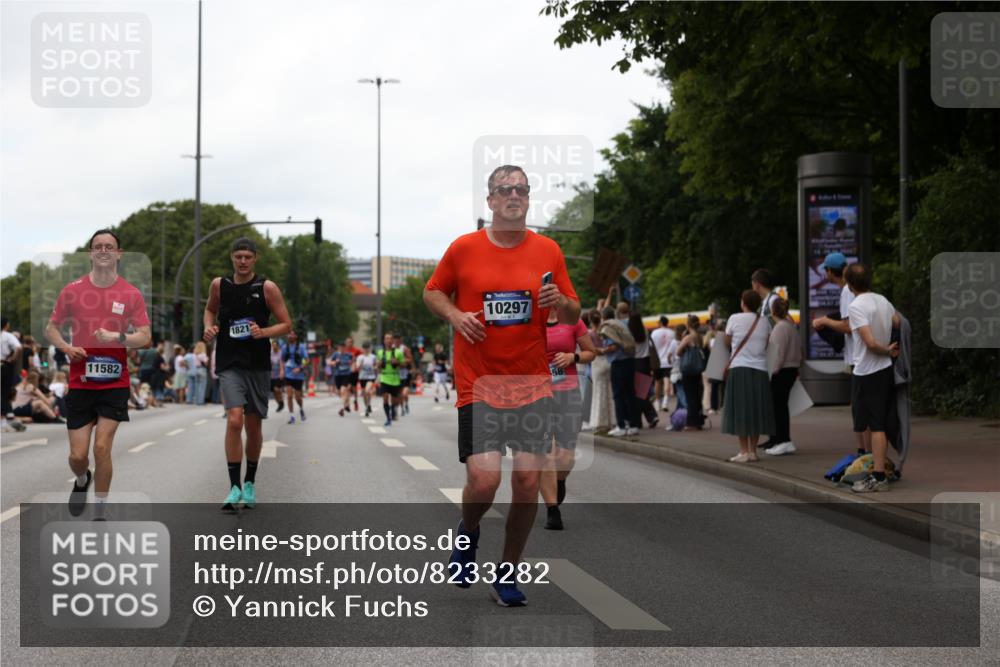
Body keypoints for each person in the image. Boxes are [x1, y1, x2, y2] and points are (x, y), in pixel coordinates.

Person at [424, 164, 580, 607]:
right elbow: (432, 291)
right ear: (490, 201)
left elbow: (572, 313)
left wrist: (561, 302)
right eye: (504, 189)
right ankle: (468, 531)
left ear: (528, 199)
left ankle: (507, 572)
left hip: (532, 384)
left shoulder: (548, 250)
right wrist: (455, 315)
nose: (513, 195)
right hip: (480, 382)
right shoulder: (464, 248)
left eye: (521, 189)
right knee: (484, 478)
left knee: (528, 482)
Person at [45, 229, 151, 517]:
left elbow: (145, 337)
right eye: (98, 246)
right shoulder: (73, 290)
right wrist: (67, 347)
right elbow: (51, 328)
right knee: (78, 456)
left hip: (115, 382)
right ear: (91, 253)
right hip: (81, 381)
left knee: (102, 447)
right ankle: (82, 479)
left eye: (109, 246)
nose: (103, 250)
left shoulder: (130, 293)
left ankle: (100, 510)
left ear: (119, 254)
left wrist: (118, 338)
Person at [203, 237, 292, 511]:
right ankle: (234, 487)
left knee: (253, 428)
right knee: (234, 420)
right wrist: (209, 327)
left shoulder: (266, 288)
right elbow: (210, 310)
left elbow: (286, 324)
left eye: (247, 257)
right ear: (232, 257)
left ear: (255, 259)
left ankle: (250, 481)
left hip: (257, 364)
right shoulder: (220, 285)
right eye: (238, 256)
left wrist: (263, 332)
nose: (242, 261)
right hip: (229, 362)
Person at [845, 263, 901, 493]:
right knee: (880, 423)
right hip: (885, 370)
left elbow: (868, 342)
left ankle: (878, 476)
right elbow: (899, 323)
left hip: (868, 371)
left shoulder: (856, 306)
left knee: (875, 424)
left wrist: (886, 349)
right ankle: (878, 468)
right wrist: (892, 345)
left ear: (849, 285)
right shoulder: (883, 301)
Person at [811, 252, 871, 456]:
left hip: (858, 357)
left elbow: (849, 325)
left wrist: (825, 322)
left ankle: (864, 453)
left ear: (830, 271)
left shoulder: (847, 291)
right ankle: (866, 452)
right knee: (863, 408)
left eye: (825, 270)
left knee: (860, 409)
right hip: (862, 356)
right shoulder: (854, 291)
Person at [542, 304, 596, 530]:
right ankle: (552, 509)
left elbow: (590, 352)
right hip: (539, 394)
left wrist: (572, 356)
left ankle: (560, 480)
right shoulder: (532, 319)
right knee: (547, 450)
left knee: (566, 457)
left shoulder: (572, 320)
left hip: (568, 392)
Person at [721, 289, 774, 463]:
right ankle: (753, 451)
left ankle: (743, 451)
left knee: (741, 410)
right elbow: (766, 343)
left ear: (743, 302)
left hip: (739, 368)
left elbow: (727, 342)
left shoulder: (734, 319)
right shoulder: (764, 321)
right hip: (760, 369)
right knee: (756, 410)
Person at [764, 298, 802, 455]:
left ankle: (782, 440)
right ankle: (781, 439)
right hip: (791, 369)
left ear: (773, 311)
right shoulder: (791, 326)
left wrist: (773, 371)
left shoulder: (779, 328)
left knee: (778, 407)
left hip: (781, 371)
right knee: (781, 406)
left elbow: (778, 354)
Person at [598, 305, 638, 437]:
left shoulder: (608, 327)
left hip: (618, 363)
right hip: (630, 361)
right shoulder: (621, 324)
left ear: (603, 317)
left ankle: (621, 425)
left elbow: (613, 345)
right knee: (630, 394)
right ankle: (634, 425)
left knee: (618, 395)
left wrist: (601, 351)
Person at [674, 314, 707, 430]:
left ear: (688, 325)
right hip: (697, 369)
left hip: (688, 369)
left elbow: (678, 352)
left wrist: (683, 336)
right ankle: (698, 420)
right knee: (697, 395)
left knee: (690, 396)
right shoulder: (699, 336)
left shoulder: (688, 338)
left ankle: (691, 422)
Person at [628, 312, 659, 428]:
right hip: (645, 363)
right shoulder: (645, 330)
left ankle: (649, 417)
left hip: (634, 362)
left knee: (638, 395)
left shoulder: (629, 332)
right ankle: (645, 419)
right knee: (642, 393)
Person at [587, 308, 614, 433]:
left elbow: (591, 350)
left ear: (590, 320)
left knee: (598, 392)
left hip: (597, 363)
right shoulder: (605, 331)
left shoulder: (590, 334)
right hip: (608, 361)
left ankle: (599, 422)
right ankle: (612, 420)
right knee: (609, 391)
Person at [1, 316, 25, 432]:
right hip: (4, 364)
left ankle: (6, 417)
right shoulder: (7, 336)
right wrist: (12, 359)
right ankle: (5, 418)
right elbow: (19, 347)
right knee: (5, 391)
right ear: (6, 325)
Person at [376, 332, 405, 426]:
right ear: (384, 341)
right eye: (386, 339)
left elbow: (404, 365)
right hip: (384, 377)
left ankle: (393, 411)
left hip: (395, 378)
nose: (388, 340)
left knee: (395, 400)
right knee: (385, 398)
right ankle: (388, 418)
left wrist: (397, 362)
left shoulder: (398, 352)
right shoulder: (380, 353)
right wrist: (379, 365)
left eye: (390, 339)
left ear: (393, 341)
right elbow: (377, 366)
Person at [281, 330, 309, 424]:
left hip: (298, 375)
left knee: (298, 397)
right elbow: (282, 360)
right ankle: (292, 416)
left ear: (296, 336)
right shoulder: (285, 347)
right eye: (289, 334)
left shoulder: (301, 347)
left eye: (292, 334)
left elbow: (306, 360)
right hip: (288, 374)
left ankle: (301, 409)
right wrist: (282, 370)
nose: (290, 335)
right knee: (289, 395)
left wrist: (300, 368)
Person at [649, 315, 674, 412]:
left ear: (660, 323)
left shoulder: (655, 333)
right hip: (668, 361)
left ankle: (657, 403)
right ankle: (665, 402)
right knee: (667, 381)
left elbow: (651, 346)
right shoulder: (672, 333)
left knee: (657, 382)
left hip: (657, 361)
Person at [355, 341, 378, 417]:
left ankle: (367, 406)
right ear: (362, 349)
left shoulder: (373, 357)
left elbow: (376, 366)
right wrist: (360, 365)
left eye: (367, 348)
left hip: (371, 377)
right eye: (365, 348)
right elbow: (357, 368)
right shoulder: (360, 357)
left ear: (369, 348)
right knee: (365, 394)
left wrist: (376, 375)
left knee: (367, 390)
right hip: (362, 377)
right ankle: (367, 406)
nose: (366, 349)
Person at [334, 340, 356, 417]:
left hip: (346, 375)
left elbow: (354, 361)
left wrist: (353, 367)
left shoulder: (349, 355)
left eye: (343, 347)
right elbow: (329, 362)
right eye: (340, 347)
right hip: (337, 375)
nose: (342, 349)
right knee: (339, 392)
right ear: (338, 348)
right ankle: (346, 404)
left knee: (343, 390)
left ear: (345, 348)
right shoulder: (336, 354)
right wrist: (335, 362)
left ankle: (341, 408)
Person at [394, 333, 414, 416]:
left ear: (400, 340)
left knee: (403, 393)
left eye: (398, 340)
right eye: (395, 340)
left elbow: (410, 359)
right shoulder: (391, 349)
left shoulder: (404, 349)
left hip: (404, 373)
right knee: (398, 393)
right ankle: (401, 407)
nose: (396, 342)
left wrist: (400, 361)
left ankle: (405, 405)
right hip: (394, 374)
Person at [270, 339, 286, 410]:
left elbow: (282, 363)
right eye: (272, 345)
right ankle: (279, 403)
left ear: (278, 346)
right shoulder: (270, 353)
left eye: (275, 345)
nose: (274, 347)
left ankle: (281, 401)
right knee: (273, 391)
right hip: (271, 375)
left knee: (277, 389)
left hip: (279, 374)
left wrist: (282, 372)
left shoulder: (281, 353)